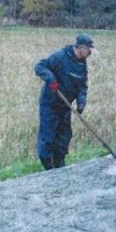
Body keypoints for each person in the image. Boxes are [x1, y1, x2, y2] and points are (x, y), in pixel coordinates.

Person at [34, 34, 95, 170]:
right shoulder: (60, 56)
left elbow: (82, 85)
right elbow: (39, 67)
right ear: (80, 48)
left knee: (63, 137)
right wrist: (51, 80)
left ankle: (60, 165)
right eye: (89, 50)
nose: (90, 53)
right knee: (48, 137)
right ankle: (48, 167)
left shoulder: (82, 63)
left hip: (65, 105)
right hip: (50, 104)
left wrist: (81, 101)